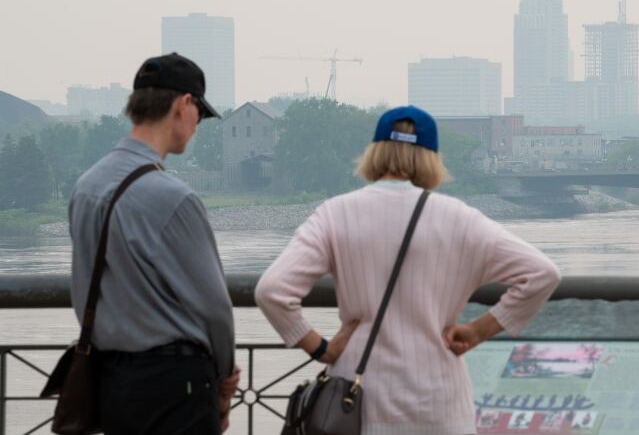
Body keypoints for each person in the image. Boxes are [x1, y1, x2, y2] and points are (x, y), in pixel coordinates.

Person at [255, 106, 561, 435]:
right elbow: (542, 273)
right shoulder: (460, 218)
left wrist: (320, 347)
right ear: (431, 157)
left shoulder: (335, 213)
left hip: (358, 401)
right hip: (438, 403)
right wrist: (478, 330)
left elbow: (271, 291)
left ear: (375, 151)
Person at [69, 53, 240, 434]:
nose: (198, 124)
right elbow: (215, 309)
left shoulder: (86, 187)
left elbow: (83, 293)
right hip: (176, 385)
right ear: (183, 105)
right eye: (200, 113)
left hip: (112, 380)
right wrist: (225, 379)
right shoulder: (173, 197)